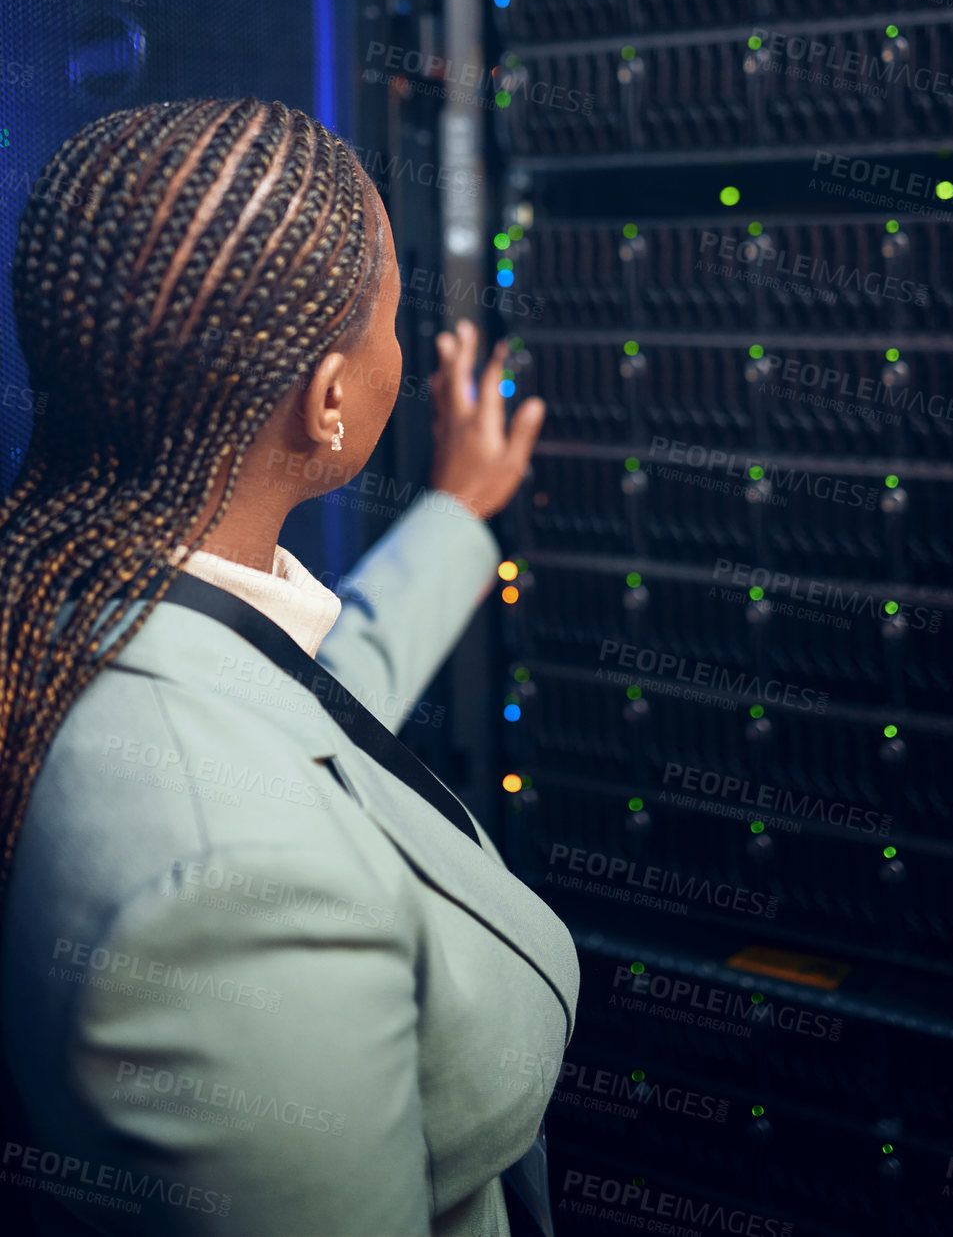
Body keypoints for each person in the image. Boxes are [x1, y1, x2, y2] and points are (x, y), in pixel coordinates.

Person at [0, 97, 575, 1236]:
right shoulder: (224, 895)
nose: (398, 358)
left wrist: (459, 514)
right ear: (325, 399)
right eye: (391, 322)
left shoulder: (63, 593)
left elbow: (282, 694)